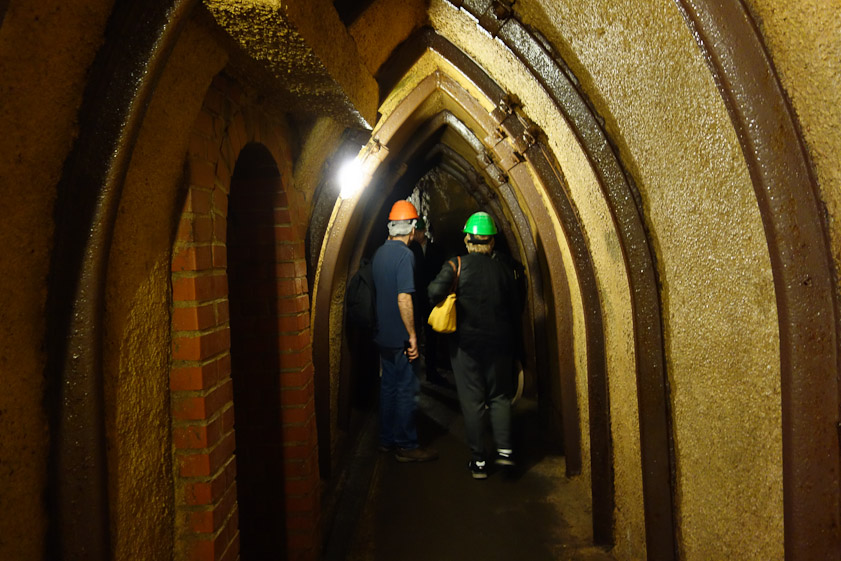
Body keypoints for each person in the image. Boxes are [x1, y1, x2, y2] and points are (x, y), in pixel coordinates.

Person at [427, 212, 521, 479]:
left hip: (466, 346)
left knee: (473, 402)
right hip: (501, 345)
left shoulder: (456, 265)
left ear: (468, 239)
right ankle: (505, 455)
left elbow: (433, 293)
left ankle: (479, 462)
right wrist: (518, 351)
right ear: (491, 242)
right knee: (500, 397)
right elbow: (516, 310)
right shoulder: (505, 269)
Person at [371, 200, 438, 462]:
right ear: (410, 229)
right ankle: (407, 445)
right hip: (400, 337)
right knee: (406, 388)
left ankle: (386, 440)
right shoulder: (405, 256)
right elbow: (404, 298)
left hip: (383, 336)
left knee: (388, 387)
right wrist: (412, 335)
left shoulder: (379, 254)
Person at [408, 216, 451, 388]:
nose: (417, 234)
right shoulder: (410, 250)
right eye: (415, 231)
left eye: (419, 231)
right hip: (415, 298)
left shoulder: (435, 250)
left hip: (430, 299)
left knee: (431, 335)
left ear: (424, 231)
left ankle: (431, 371)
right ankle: (413, 372)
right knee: (414, 335)